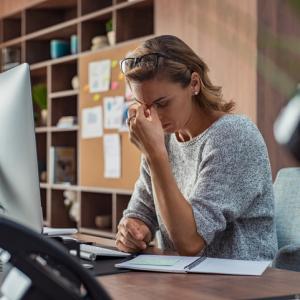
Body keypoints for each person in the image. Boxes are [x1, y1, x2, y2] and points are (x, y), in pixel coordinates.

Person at [115, 35, 278, 260]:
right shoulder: (164, 139)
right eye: (145, 106)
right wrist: (132, 229)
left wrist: (155, 155)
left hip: (243, 286)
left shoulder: (233, 136)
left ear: (194, 83)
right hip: (184, 281)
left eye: (162, 104)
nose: (153, 117)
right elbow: (142, 211)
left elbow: (190, 242)